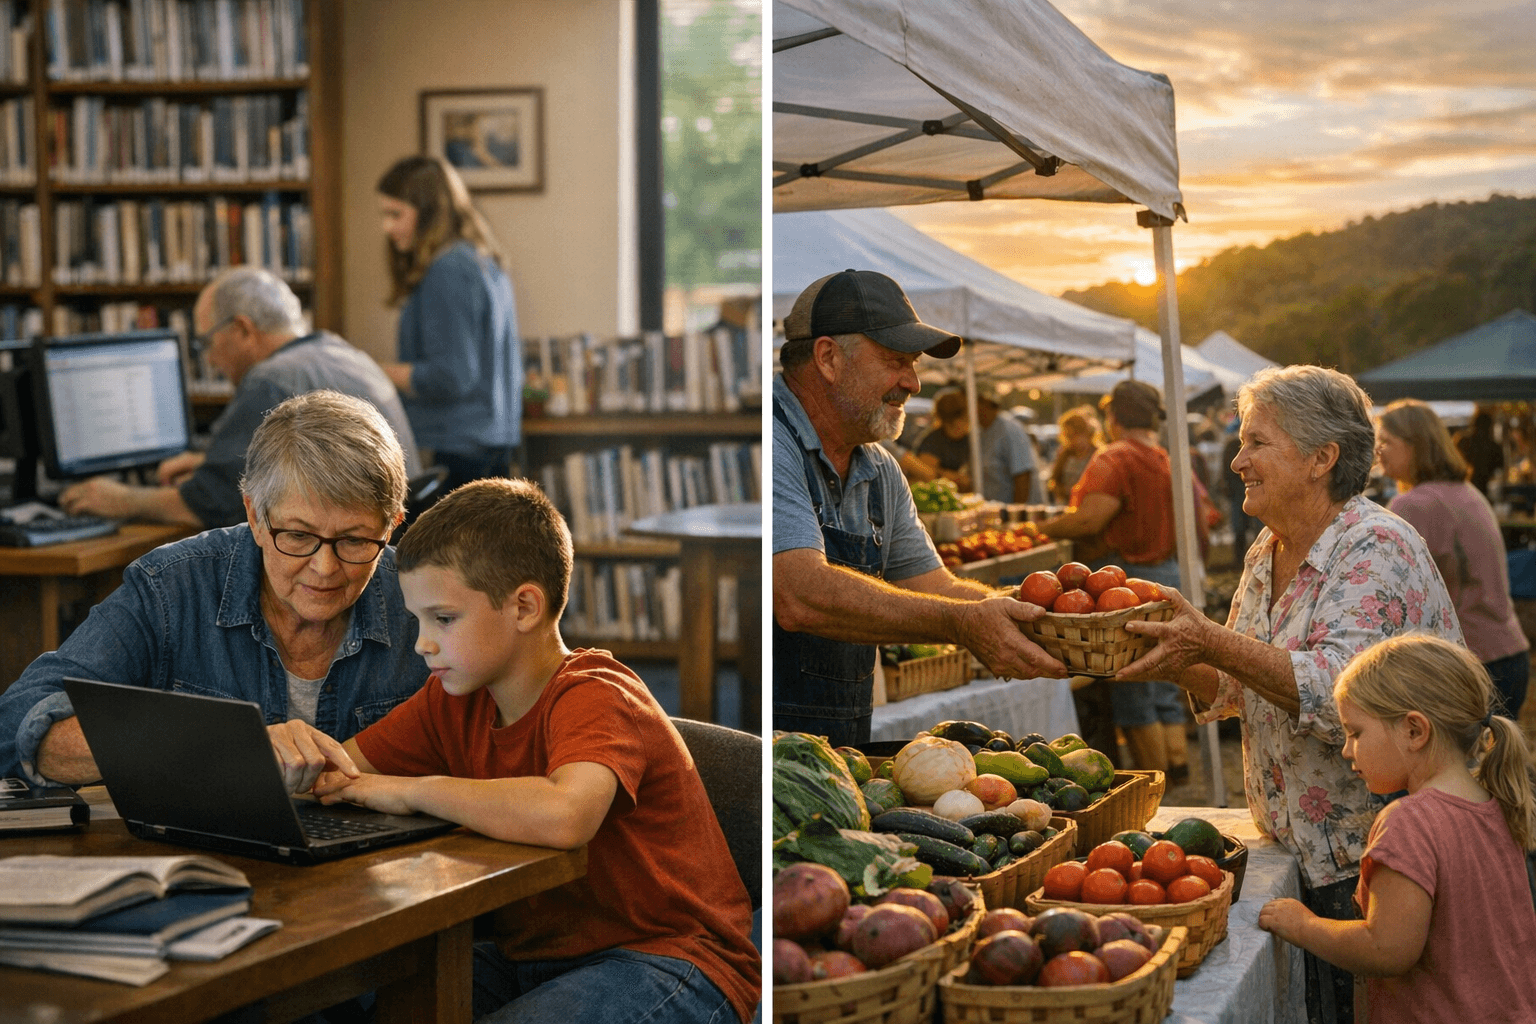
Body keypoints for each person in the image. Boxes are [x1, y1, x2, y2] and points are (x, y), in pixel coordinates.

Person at [312, 478, 760, 1024]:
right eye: (419, 620)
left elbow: (566, 813)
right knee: (342, 1001)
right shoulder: (452, 698)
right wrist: (297, 755)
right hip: (532, 961)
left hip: (670, 960)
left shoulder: (598, 694)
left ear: (524, 607)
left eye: (444, 619)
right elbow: (340, 770)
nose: (421, 643)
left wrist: (411, 792)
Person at [1115, 365, 1464, 1024]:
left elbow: (1345, 702)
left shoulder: (1375, 546)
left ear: (1321, 459)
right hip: (1300, 853)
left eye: (1257, 443)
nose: (1238, 460)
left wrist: (1210, 643)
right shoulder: (1266, 549)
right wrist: (1171, 651)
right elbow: (1237, 686)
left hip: (1378, 861)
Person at [0, 391, 429, 792]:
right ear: (255, 516)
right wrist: (221, 744)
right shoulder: (172, 588)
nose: (325, 568)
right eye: (298, 536)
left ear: (392, 525)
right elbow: (18, 722)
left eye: (354, 541)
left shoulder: (424, 600)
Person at [773, 269, 1066, 746]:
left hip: (838, 754)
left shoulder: (878, 469)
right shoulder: (771, 440)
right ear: (827, 357)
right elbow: (798, 593)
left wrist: (1028, 614)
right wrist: (964, 624)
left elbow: (936, 587)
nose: (913, 383)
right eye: (895, 361)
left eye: (913, 364)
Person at [1258, 634, 1536, 1024]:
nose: (1347, 750)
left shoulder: (1409, 822)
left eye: (1356, 733)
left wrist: (1304, 925)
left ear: (1414, 731)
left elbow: (1387, 949)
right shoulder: (1497, 803)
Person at [58, 267, 422, 528]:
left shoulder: (271, 381)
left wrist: (117, 499)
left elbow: (210, 505)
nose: (211, 361)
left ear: (243, 329)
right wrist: (211, 461)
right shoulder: (344, 352)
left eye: (207, 343)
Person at [1036, 380, 1193, 781]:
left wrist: (1043, 529)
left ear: (1113, 417)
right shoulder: (1163, 457)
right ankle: (1177, 763)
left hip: (1127, 579)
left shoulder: (1115, 457)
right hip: (1166, 574)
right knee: (1164, 678)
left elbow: (1091, 518)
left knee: (1132, 682)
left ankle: (1153, 779)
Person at [375, 155, 523, 493]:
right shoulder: (481, 259)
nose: (387, 228)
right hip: (487, 443)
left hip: (457, 449)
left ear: (429, 214)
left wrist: (378, 371)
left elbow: (453, 375)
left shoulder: (448, 269)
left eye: (396, 214)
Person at [1375, 399, 1530, 717]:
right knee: (1499, 765)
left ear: (1416, 445)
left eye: (1387, 441)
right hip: (1509, 653)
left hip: (1470, 663)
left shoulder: (1413, 505)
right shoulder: (1467, 492)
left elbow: (1387, 593)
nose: (1379, 450)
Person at [975, 383, 1045, 504]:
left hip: (1014, 513)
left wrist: (1017, 514)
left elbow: (1022, 475)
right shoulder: (981, 431)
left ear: (984, 403)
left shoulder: (1010, 429)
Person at [914, 389, 974, 490]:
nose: (971, 420)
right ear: (955, 420)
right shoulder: (933, 441)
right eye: (966, 417)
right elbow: (925, 471)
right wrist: (950, 476)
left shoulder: (968, 438)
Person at [1048, 405, 1101, 505]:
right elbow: (1054, 481)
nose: (1072, 440)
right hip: (1066, 505)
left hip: (1088, 505)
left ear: (1086, 432)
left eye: (1075, 435)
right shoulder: (1065, 454)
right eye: (1068, 436)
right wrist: (1062, 491)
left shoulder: (1098, 454)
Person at [1454, 407, 1504, 497]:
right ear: (1490, 427)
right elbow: (1499, 469)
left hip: (1463, 488)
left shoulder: (1463, 441)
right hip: (1484, 490)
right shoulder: (1494, 446)